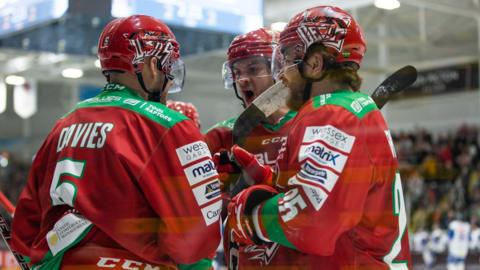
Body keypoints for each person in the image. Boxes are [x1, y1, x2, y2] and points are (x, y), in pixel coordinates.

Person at [11, 15, 221, 269]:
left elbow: (24, 231)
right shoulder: (167, 125)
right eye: (169, 69)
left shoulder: (63, 125)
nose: (170, 83)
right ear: (153, 65)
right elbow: (194, 242)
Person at [225, 6, 412, 269]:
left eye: (288, 59)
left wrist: (251, 215)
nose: (281, 73)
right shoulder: (350, 109)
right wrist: (267, 177)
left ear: (315, 63)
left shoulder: (331, 113)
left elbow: (313, 221)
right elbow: (330, 194)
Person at [204, 28, 297, 268]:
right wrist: (219, 199)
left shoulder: (309, 125)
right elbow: (196, 221)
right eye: (237, 72)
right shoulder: (221, 136)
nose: (242, 79)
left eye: (253, 69)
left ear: (278, 70)